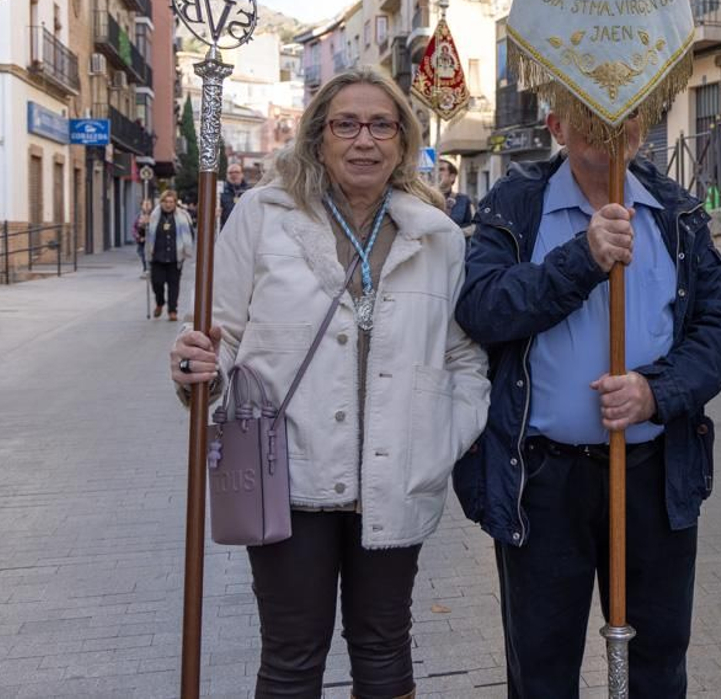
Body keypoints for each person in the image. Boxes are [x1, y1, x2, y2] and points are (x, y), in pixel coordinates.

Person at [169, 69, 490, 699]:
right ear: (319, 138)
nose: (363, 140)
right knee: (291, 654)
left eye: (381, 125)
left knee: (384, 646)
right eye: (346, 124)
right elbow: (219, 332)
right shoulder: (265, 216)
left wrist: (446, 431)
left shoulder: (438, 236)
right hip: (285, 473)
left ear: (403, 141)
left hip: (397, 472)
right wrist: (193, 365)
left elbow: (463, 352)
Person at [453, 105, 721, 697]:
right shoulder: (516, 205)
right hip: (541, 479)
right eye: (590, 110)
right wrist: (581, 260)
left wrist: (655, 392)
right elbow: (481, 307)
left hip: (654, 474)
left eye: (629, 109)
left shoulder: (675, 209)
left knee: (658, 664)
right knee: (541, 670)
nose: (613, 122)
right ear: (556, 126)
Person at [145, 190, 193, 321]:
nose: (168, 204)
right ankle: (160, 303)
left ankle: (172, 310)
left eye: (171, 202)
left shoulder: (182, 216)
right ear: (161, 202)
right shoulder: (153, 216)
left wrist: (185, 248)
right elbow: (142, 232)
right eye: (166, 201)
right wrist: (144, 222)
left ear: (175, 203)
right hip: (157, 256)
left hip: (175, 256)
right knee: (157, 283)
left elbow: (190, 233)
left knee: (174, 284)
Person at [436, 159, 475, 229]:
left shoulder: (464, 200)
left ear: (452, 177)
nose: (436, 173)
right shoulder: (424, 198)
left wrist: (454, 233)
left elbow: (473, 226)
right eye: (434, 169)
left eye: (441, 169)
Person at [220, 161, 252, 226]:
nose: (234, 175)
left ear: (242, 174)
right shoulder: (220, 191)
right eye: (230, 172)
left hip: (243, 228)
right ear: (226, 175)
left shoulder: (249, 191)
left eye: (237, 172)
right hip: (226, 228)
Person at [133, 198, 153, 276]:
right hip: (141, 240)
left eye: (149, 205)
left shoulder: (154, 215)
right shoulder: (139, 216)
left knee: (149, 255)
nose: (147, 207)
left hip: (151, 241)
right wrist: (138, 237)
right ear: (142, 206)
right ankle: (145, 268)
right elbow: (134, 228)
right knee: (142, 254)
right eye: (145, 205)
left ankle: (149, 269)